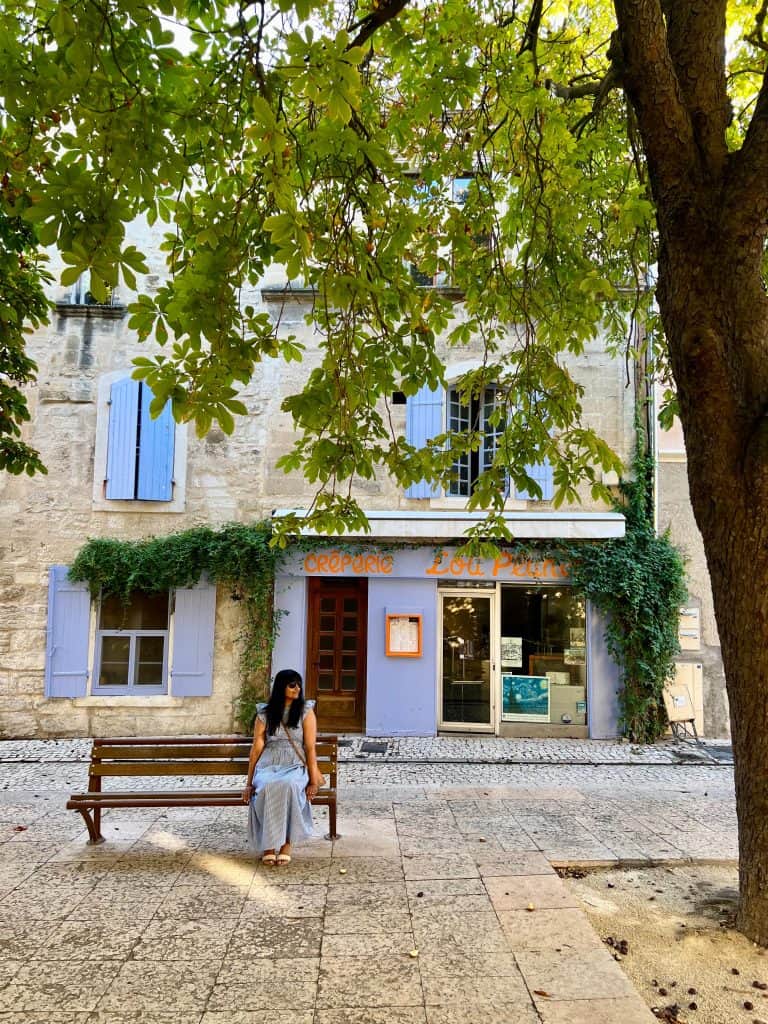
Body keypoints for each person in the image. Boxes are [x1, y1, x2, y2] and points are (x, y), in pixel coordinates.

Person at [243, 668, 324, 866]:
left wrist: (313, 781)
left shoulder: (305, 711)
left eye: (298, 684)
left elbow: (310, 747)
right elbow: (256, 748)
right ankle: (269, 846)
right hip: (269, 763)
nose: (297, 688)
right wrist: (249, 783)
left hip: (295, 764)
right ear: (281, 687)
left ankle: (287, 843)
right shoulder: (265, 713)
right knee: (266, 787)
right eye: (292, 684)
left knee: (289, 786)